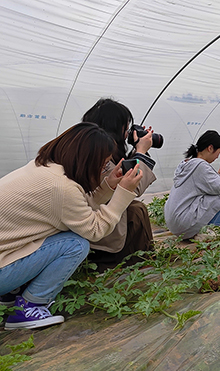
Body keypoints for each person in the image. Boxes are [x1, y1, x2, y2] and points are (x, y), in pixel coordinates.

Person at [0, 123, 142, 330]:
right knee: (75, 244)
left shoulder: (45, 168)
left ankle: (10, 293)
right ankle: (29, 308)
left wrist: (109, 186)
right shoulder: (61, 187)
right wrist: (122, 194)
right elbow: (95, 230)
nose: (103, 169)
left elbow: (76, 208)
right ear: (87, 160)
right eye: (102, 165)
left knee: (49, 234)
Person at [82, 98, 157, 271]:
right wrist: (141, 151)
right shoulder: (100, 157)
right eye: (126, 127)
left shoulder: (89, 148)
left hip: (89, 226)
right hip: (98, 236)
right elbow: (132, 186)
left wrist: (136, 148)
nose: (127, 132)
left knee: (136, 209)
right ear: (114, 126)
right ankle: (137, 264)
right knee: (136, 211)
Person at [164, 130, 220, 239]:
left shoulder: (187, 163)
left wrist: (219, 171)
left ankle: (199, 230)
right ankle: (210, 231)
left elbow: (202, 184)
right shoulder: (200, 165)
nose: (217, 156)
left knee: (216, 189)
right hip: (184, 225)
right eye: (219, 152)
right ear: (210, 148)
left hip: (175, 224)